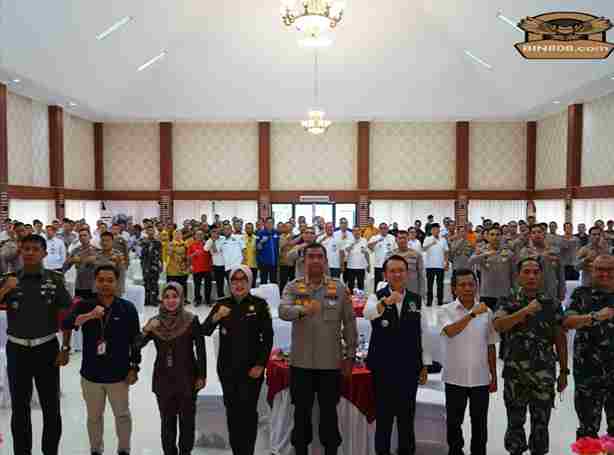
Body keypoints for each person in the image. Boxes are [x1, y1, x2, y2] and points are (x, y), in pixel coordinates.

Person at [279, 243, 357, 455]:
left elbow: (349, 323)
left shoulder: (338, 288)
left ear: (325, 261)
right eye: (310, 256)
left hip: (330, 363)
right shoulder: (293, 287)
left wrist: (350, 356)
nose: (315, 260)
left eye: (319, 256)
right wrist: (303, 309)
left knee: (329, 414)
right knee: (301, 414)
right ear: (303, 261)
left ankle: (331, 450)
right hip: (301, 364)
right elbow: (283, 310)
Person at [0, 234, 72, 455]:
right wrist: (5, 289)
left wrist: (65, 347)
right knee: (19, 409)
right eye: (26, 249)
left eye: (35, 249)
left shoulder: (55, 279)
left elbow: (66, 316)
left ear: (44, 253)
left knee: (51, 408)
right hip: (17, 349)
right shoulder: (9, 279)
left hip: (46, 349)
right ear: (20, 252)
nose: (30, 252)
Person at [62, 265, 141, 455]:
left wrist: (134, 367)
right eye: (101, 280)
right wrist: (90, 315)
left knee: (122, 415)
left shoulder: (127, 308)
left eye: (110, 280)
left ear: (117, 282)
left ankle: (124, 449)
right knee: (94, 417)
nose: (105, 284)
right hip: (91, 374)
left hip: (119, 374)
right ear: (95, 282)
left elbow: (135, 340)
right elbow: (66, 323)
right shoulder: (84, 305)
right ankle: (96, 449)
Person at [493, 258, 569, 455]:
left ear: (541, 276)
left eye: (536, 272)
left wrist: (564, 372)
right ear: (518, 275)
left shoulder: (552, 303)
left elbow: (560, 339)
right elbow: (499, 325)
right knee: (514, 422)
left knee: (541, 424)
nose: (531, 276)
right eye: (526, 272)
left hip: (544, 374)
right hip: (515, 375)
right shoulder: (508, 300)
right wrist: (524, 311)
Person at [202, 266, 273, 455]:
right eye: (234, 280)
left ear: (249, 282)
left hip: (252, 369)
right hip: (228, 369)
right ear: (229, 283)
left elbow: (267, 338)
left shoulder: (259, 304)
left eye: (243, 280)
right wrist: (217, 316)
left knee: (248, 412)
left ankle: (247, 451)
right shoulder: (222, 304)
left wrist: (261, 364)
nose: (238, 284)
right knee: (232, 412)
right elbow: (204, 330)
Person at [363, 255, 428, 455]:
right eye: (392, 271)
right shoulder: (377, 296)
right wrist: (386, 302)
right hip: (383, 367)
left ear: (407, 274)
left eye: (401, 270)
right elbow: (368, 313)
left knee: (406, 417)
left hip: (409, 367)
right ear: (385, 274)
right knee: (384, 417)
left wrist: (424, 365)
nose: (397, 274)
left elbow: (424, 334)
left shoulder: (416, 299)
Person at [138, 283, 206, 455]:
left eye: (175, 296)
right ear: (162, 299)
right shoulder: (155, 322)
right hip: (163, 379)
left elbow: (200, 350)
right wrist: (146, 329)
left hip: (187, 378)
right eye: (166, 297)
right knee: (167, 422)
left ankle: (185, 452)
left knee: (187, 422)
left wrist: (202, 375)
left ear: (181, 298)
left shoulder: (191, 320)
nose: (170, 300)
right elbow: (136, 345)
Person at [439, 269, 498, 455]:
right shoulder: (445, 310)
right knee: (454, 423)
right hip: (454, 377)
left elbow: (491, 345)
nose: (467, 288)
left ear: (477, 287)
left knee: (480, 423)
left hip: (480, 378)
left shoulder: (486, 312)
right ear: (454, 288)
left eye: (471, 284)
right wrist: (472, 314)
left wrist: (494, 375)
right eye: (462, 285)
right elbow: (450, 331)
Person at [563, 254, 614, 439]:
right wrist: (594, 316)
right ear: (592, 271)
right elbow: (567, 321)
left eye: (609, 269)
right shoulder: (581, 294)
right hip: (588, 373)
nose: (604, 274)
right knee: (587, 431)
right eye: (600, 269)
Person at [469, 227, 515, 311]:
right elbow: (470, 261)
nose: (495, 237)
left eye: (497, 235)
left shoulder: (508, 252)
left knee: (503, 318)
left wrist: (514, 289)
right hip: (486, 293)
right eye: (492, 234)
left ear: (501, 237)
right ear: (488, 237)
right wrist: (486, 254)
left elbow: (513, 273)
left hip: (504, 293)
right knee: (485, 318)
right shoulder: (482, 250)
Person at [518, 225, 565, 301]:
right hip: (532, 293)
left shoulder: (554, 251)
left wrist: (562, 291)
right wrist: (542, 256)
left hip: (551, 291)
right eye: (533, 233)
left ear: (544, 234)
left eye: (539, 232)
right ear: (530, 236)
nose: (537, 234)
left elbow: (561, 274)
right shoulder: (525, 251)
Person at [65, 227, 100, 300]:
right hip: (80, 285)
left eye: (85, 235)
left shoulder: (97, 251)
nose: (83, 237)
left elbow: (103, 267)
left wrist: (95, 262)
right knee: (79, 306)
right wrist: (71, 260)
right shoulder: (75, 250)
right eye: (80, 236)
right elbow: (65, 266)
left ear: (90, 236)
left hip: (93, 286)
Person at [389, 230, 425, 297]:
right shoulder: (390, 255)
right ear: (396, 240)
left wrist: (422, 292)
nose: (402, 240)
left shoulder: (416, 254)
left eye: (404, 238)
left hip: (412, 289)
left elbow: (421, 274)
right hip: (395, 291)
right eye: (400, 238)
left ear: (408, 239)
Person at [423, 223, 449, 307]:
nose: (436, 231)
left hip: (440, 265)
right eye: (434, 229)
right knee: (429, 285)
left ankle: (440, 301)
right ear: (431, 231)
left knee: (440, 284)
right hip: (430, 265)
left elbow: (446, 252)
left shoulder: (443, 239)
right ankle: (429, 301)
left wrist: (446, 262)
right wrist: (431, 243)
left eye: (437, 229)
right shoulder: (427, 238)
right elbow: (423, 249)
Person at [368, 223, 398, 291]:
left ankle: (390, 296)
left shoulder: (392, 237)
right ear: (379, 229)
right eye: (381, 228)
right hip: (378, 265)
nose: (383, 230)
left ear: (387, 229)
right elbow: (369, 246)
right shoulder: (375, 237)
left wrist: (392, 253)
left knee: (390, 283)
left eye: (385, 228)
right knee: (378, 284)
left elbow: (396, 249)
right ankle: (378, 296)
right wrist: (377, 241)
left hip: (390, 265)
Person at [188, 229, 213, 307]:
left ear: (203, 235)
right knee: (197, 286)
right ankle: (197, 300)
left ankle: (208, 300)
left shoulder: (207, 244)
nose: (199, 236)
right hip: (196, 268)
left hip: (207, 268)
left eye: (201, 234)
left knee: (208, 285)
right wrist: (193, 256)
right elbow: (188, 257)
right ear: (195, 236)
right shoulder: (191, 245)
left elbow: (212, 255)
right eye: (198, 234)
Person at [141, 224, 163, 307]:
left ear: (154, 232)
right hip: (146, 264)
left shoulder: (158, 242)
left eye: (152, 230)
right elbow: (141, 254)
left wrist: (161, 264)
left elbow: (160, 254)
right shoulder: (143, 241)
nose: (150, 232)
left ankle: (154, 299)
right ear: (146, 232)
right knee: (146, 282)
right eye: (149, 230)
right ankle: (147, 299)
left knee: (154, 282)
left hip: (155, 264)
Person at [343, 225, 370, 291]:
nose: (356, 232)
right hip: (351, 267)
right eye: (355, 231)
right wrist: (353, 244)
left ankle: (360, 297)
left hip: (361, 267)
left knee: (361, 286)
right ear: (352, 232)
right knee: (350, 286)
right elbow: (346, 250)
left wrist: (368, 264)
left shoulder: (364, 240)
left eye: (358, 230)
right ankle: (350, 297)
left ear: (360, 231)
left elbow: (367, 253)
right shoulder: (348, 240)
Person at [167, 230, 190, 302]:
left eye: (179, 234)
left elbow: (188, 255)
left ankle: (184, 299)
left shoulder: (185, 244)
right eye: (176, 234)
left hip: (183, 267)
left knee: (183, 284)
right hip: (173, 268)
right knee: (173, 286)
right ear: (173, 235)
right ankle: (172, 299)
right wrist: (171, 248)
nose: (178, 236)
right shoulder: (170, 244)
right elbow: (169, 254)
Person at [256, 217, 279, 285]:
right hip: (263, 262)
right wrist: (261, 242)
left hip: (274, 262)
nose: (269, 224)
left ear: (273, 224)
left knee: (273, 281)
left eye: (271, 223)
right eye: (268, 223)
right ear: (265, 223)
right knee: (263, 282)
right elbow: (257, 247)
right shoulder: (260, 233)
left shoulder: (276, 233)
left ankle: (273, 292)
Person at [279, 223, 298, 292]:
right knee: (283, 281)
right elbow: (280, 247)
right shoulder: (281, 237)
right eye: (287, 227)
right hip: (284, 262)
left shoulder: (295, 236)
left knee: (293, 281)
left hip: (293, 262)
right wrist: (287, 241)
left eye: (290, 227)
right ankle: (281, 295)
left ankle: (292, 294)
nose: (289, 228)